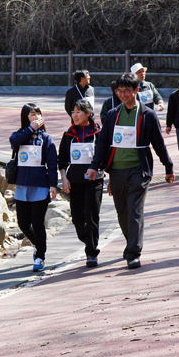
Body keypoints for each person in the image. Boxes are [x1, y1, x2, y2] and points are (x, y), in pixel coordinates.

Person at [86, 73, 174, 269]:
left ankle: (133, 252)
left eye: (127, 90)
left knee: (134, 210)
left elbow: (158, 143)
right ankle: (131, 242)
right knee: (122, 212)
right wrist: (94, 166)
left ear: (136, 91)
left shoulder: (147, 115)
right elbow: (102, 144)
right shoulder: (112, 115)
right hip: (116, 171)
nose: (123, 94)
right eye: (120, 91)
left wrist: (168, 166)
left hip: (139, 170)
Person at [9, 103, 58, 272]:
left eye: (37, 114)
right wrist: (30, 128)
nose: (35, 117)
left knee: (37, 222)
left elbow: (52, 164)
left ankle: (40, 256)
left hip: (40, 185)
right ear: (25, 117)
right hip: (22, 185)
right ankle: (39, 243)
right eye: (31, 114)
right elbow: (14, 142)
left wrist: (53, 184)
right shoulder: (20, 135)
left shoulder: (46, 138)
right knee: (23, 223)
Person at [59, 99, 103, 267]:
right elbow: (62, 159)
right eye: (73, 112)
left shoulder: (98, 133)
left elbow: (103, 156)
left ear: (88, 113)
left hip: (94, 181)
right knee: (78, 219)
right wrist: (64, 178)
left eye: (78, 112)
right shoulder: (69, 134)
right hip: (75, 181)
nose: (74, 115)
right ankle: (88, 240)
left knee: (92, 216)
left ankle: (92, 252)